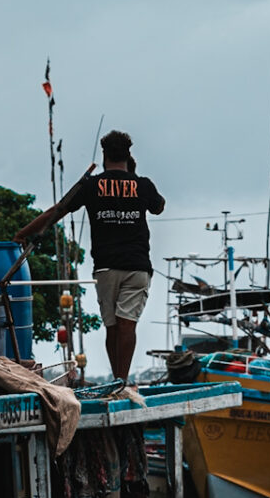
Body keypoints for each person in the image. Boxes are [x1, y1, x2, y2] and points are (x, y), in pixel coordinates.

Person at [18, 129, 165, 393]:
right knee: (127, 323)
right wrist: (133, 181)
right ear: (128, 155)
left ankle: (116, 382)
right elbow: (158, 206)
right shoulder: (142, 184)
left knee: (112, 325)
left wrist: (23, 233)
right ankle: (121, 380)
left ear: (104, 155)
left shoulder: (90, 185)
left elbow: (57, 211)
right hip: (137, 265)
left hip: (106, 267)